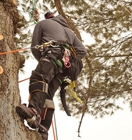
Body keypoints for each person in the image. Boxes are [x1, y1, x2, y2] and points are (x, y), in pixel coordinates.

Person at [16, 12, 87, 140]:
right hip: (64, 69)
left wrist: (44, 61)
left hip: (52, 55)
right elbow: (82, 51)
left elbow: (34, 47)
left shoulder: (43, 23)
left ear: (48, 17)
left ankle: (33, 110)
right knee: (47, 94)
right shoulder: (70, 32)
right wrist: (69, 59)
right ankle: (43, 129)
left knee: (38, 78)